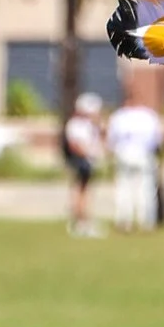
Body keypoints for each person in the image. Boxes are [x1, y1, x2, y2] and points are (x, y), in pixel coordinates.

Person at [106, 91, 164, 234]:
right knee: (146, 189)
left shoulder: (119, 116)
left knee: (123, 189)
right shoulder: (148, 116)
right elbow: (158, 139)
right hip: (144, 154)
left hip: (124, 154)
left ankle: (124, 220)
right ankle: (146, 221)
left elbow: (111, 141)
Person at [61, 90, 106, 236]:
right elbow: (75, 144)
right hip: (81, 161)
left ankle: (84, 219)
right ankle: (80, 221)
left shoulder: (89, 125)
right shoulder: (76, 124)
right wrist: (89, 154)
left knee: (86, 190)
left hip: (87, 160)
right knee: (81, 190)